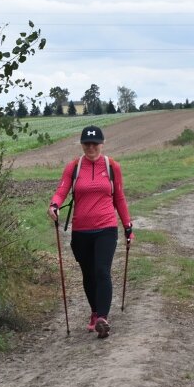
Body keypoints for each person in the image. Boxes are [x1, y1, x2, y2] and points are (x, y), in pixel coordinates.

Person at [48, 125, 134, 339]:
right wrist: (54, 205)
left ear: (102, 144)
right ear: (82, 144)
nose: (91, 147)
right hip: (81, 230)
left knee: (102, 271)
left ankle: (103, 318)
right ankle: (95, 312)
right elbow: (62, 190)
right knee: (88, 273)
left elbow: (119, 198)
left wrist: (127, 226)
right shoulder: (74, 167)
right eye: (87, 143)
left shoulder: (112, 166)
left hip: (106, 227)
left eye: (95, 143)